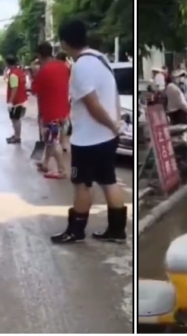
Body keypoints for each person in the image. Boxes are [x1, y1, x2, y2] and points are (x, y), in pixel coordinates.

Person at [51, 18, 126, 245]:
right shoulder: (100, 58)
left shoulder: (81, 67)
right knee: (108, 180)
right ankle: (116, 230)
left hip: (88, 139)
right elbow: (112, 96)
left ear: (65, 43)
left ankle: (76, 230)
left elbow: (93, 106)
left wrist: (112, 125)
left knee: (82, 183)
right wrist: (116, 123)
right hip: (106, 137)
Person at [32, 42, 71, 179]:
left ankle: (61, 170)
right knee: (50, 139)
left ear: (39, 55)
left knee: (54, 142)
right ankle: (45, 163)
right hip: (64, 111)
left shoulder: (43, 71)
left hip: (50, 112)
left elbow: (34, 90)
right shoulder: (63, 66)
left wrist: (34, 72)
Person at [4, 57, 28, 144]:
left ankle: (17, 137)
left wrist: (11, 102)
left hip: (17, 101)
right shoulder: (19, 71)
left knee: (15, 119)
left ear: (7, 63)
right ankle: (16, 135)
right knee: (15, 119)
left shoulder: (13, 74)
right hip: (22, 99)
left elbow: (14, 88)